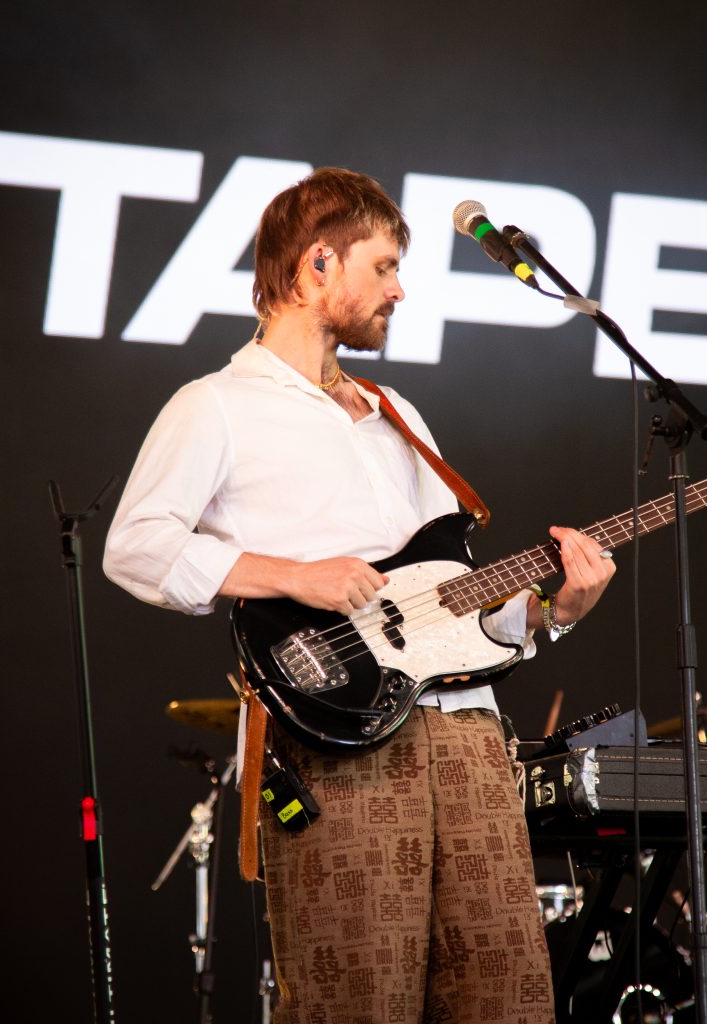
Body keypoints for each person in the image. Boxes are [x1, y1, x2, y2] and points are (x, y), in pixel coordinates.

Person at [104, 167, 615, 1024]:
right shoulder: (215, 407)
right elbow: (137, 547)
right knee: (356, 996)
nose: (400, 289)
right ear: (315, 268)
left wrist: (549, 615)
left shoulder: (395, 410)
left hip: (469, 742)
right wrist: (293, 574)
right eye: (382, 267)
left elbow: (452, 601)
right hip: (334, 742)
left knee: (510, 998)